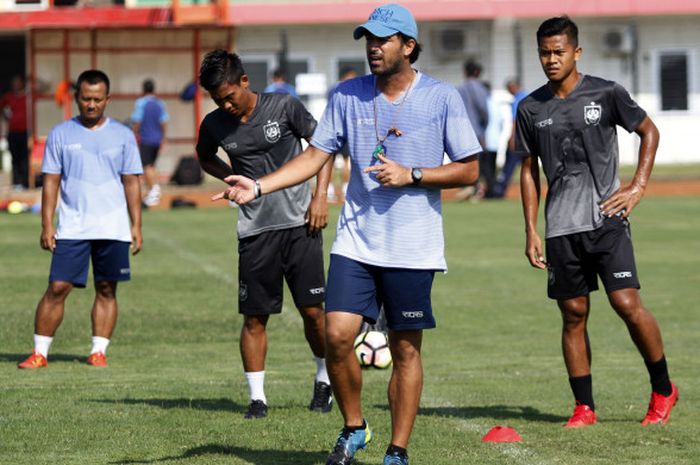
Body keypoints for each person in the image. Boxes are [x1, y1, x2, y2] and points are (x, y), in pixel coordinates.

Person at [212, 4, 480, 464]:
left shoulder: (441, 97)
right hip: (357, 241)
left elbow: (471, 169)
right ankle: (355, 427)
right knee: (336, 335)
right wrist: (258, 185)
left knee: (404, 349)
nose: (373, 47)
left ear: (408, 46)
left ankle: (397, 451)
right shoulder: (346, 95)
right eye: (368, 40)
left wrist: (412, 174)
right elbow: (315, 157)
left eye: (383, 40)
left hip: (412, 246)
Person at [517, 16, 678, 428]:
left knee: (625, 303)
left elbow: (649, 131)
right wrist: (532, 229)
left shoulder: (605, 92)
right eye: (544, 53)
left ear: (576, 52)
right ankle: (584, 407)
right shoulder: (531, 107)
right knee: (573, 314)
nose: (551, 60)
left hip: (607, 218)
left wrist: (638, 186)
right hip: (560, 228)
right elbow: (528, 170)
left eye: (559, 52)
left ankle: (663, 388)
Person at [196, 50, 334, 420]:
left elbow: (323, 148)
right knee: (255, 317)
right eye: (216, 100)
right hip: (255, 230)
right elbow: (204, 157)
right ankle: (257, 398)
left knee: (313, 313)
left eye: (229, 96)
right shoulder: (214, 125)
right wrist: (230, 178)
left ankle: (324, 381)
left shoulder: (284, 107)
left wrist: (320, 198)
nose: (224, 105)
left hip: (300, 224)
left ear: (244, 81)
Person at [18, 69, 143, 370]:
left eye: (97, 99)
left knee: (107, 289)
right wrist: (47, 224)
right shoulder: (61, 134)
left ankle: (98, 351)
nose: (91, 105)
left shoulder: (123, 135)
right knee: (58, 287)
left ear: (107, 99)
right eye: (86, 98)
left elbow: (131, 182)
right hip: (73, 226)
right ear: (76, 98)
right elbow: (51, 181)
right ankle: (40, 353)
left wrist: (136, 224)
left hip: (113, 227)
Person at [131, 78, 169, 207]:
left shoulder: (140, 103)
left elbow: (137, 120)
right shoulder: (160, 103)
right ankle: (153, 190)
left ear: (143, 89)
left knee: (146, 165)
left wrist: (133, 133)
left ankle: (154, 190)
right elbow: (163, 122)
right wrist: (164, 138)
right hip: (157, 139)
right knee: (151, 165)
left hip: (146, 138)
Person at [327, 66, 359, 203]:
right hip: (343, 129)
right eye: (351, 76)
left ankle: (334, 191)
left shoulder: (331, 90)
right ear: (345, 76)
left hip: (334, 128)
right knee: (343, 161)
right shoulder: (349, 90)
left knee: (337, 162)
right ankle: (339, 191)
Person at [493, 78, 527, 198]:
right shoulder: (528, 97)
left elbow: (515, 121)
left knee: (509, 166)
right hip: (528, 139)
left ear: (513, 86)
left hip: (519, 139)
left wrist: (512, 139)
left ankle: (499, 191)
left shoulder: (517, 100)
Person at [0, 75, 29, 190]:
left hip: (26, 131)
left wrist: (32, 80)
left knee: (25, 158)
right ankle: (16, 182)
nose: (16, 85)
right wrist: (5, 117)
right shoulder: (9, 97)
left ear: (22, 83)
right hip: (13, 132)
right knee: (15, 158)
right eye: (14, 83)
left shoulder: (28, 96)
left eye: (18, 82)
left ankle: (25, 182)